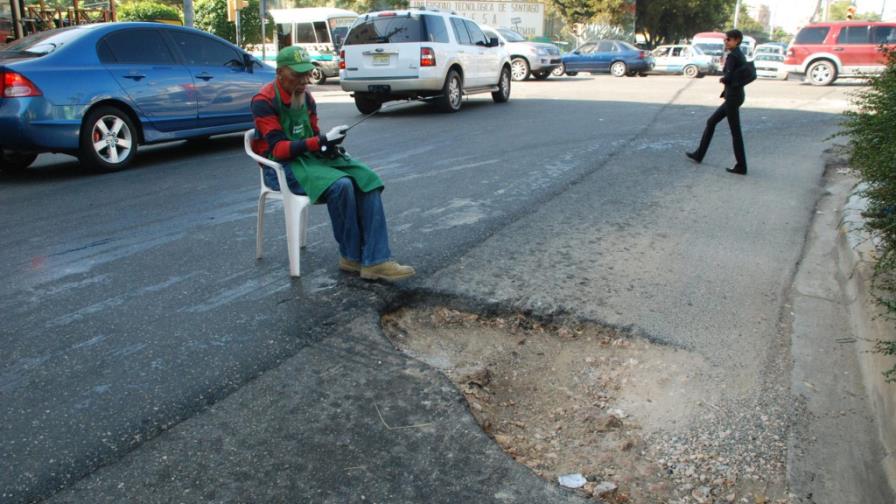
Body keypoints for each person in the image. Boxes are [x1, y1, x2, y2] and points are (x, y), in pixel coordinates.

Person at [251, 46, 415, 281]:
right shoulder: (263, 101)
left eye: (307, 74)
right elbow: (278, 149)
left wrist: (330, 144)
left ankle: (376, 260)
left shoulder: (306, 98)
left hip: (309, 160)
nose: (304, 81)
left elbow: (313, 135)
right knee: (342, 185)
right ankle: (351, 256)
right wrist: (320, 141)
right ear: (280, 73)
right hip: (279, 168)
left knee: (367, 179)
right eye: (297, 75)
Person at [686, 29, 749, 175]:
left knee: (735, 132)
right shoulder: (739, 54)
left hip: (733, 97)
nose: (725, 42)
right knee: (712, 122)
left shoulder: (733, 56)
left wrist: (723, 79)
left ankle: (741, 166)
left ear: (737, 40)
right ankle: (699, 154)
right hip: (736, 96)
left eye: (728, 39)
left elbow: (729, 76)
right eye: (725, 39)